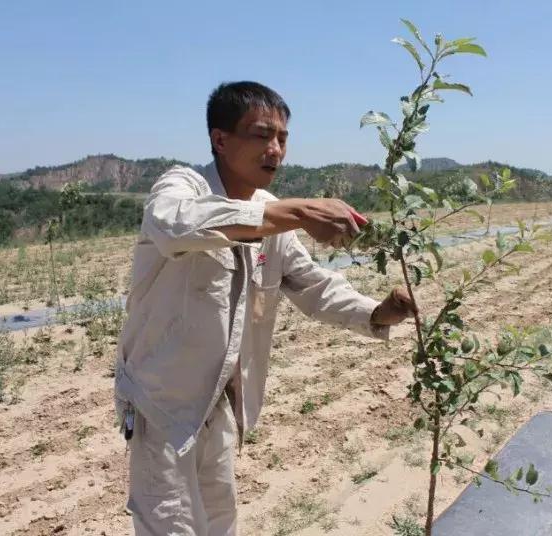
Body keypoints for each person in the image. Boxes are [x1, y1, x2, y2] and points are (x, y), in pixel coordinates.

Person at [114, 81, 416, 535]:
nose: (275, 149)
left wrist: (377, 312)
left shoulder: (269, 210)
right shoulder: (182, 186)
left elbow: (311, 285)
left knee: (220, 520)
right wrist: (296, 213)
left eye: (282, 138)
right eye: (261, 135)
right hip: (163, 404)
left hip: (218, 403)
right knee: (169, 525)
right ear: (220, 139)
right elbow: (174, 226)